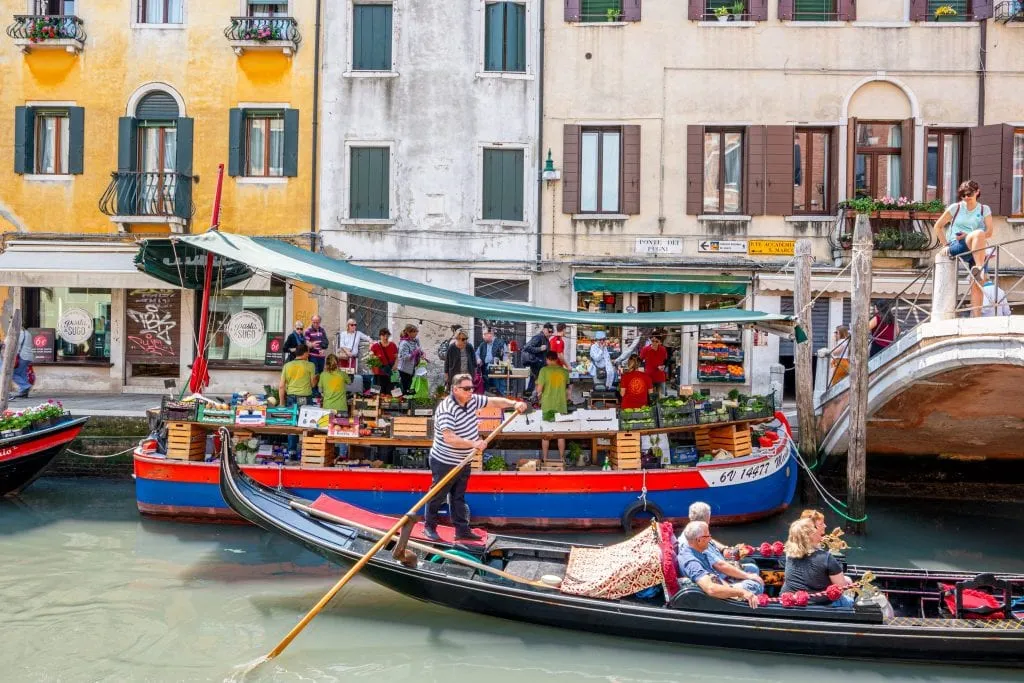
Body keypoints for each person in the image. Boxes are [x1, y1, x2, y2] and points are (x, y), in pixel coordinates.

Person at [424, 373, 527, 541]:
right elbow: (449, 438)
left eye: (471, 388)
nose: (471, 391)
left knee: (458, 496)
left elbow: (493, 402)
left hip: (465, 459)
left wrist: (513, 403)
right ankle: (429, 527)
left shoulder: (471, 400)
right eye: (466, 389)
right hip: (445, 460)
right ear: (455, 389)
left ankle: (461, 530)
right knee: (437, 494)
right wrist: (474, 443)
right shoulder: (447, 408)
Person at [933, 180, 994, 318]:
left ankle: (976, 317)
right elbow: (938, 226)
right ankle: (979, 268)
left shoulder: (984, 209)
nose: (966, 197)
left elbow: (989, 232)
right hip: (957, 244)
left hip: (977, 247)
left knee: (977, 284)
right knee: (978, 233)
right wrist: (945, 245)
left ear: (977, 192)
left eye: (969, 194)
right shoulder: (956, 207)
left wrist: (970, 235)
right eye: (963, 195)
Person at [676, 521, 761, 609]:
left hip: (720, 584)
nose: (710, 539)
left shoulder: (694, 549)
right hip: (714, 599)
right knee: (755, 586)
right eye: (708, 536)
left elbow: (714, 575)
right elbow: (711, 589)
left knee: (753, 575)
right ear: (699, 540)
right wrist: (742, 592)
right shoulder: (692, 563)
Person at [781, 518, 854, 608]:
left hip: (789, 601)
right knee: (849, 598)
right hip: (819, 604)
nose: (819, 529)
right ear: (810, 535)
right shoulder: (826, 558)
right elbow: (841, 587)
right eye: (815, 528)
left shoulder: (789, 554)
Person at [688, 502, 761, 579]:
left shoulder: (693, 531)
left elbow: (710, 541)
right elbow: (720, 566)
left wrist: (724, 549)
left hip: (720, 563)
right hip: (720, 575)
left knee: (750, 561)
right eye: (708, 519)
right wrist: (747, 575)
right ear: (707, 519)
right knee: (753, 568)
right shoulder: (698, 541)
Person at [279, 343, 318, 455]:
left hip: (291, 398)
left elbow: (281, 386)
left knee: (293, 424)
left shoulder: (287, 366)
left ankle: (291, 451)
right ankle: (308, 451)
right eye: (308, 352)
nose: (309, 354)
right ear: (305, 353)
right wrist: (317, 378)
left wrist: (282, 403)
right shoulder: (310, 365)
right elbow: (313, 384)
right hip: (305, 398)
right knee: (308, 424)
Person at [536, 351, 570, 463]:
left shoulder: (544, 370)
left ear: (548, 359)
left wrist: (538, 396)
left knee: (546, 434)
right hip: (561, 405)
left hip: (547, 405)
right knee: (561, 434)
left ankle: (545, 459)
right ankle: (562, 459)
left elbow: (539, 390)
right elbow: (568, 391)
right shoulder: (564, 372)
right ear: (556, 359)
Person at [337, 318, 373, 388]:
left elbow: (367, 338)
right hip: (344, 357)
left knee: (351, 374)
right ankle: (342, 389)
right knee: (343, 373)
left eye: (355, 325)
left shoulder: (358, 333)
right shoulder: (343, 333)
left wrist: (371, 342)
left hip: (353, 358)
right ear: (348, 326)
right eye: (352, 325)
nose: (354, 326)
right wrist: (347, 352)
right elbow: (342, 345)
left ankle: (350, 390)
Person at [522, 323, 553, 394]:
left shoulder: (546, 339)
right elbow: (527, 347)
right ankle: (532, 399)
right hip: (536, 366)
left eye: (552, 332)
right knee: (536, 386)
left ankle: (533, 398)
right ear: (544, 330)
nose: (550, 334)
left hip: (541, 367)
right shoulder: (538, 337)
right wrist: (539, 349)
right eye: (549, 331)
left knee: (537, 386)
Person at [475, 327, 506, 392]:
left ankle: (501, 399)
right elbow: (476, 354)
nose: (483, 337)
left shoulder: (500, 343)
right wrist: (478, 359)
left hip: (497, 369)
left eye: (484, 334)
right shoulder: (482, 344)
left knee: (499, 389)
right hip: (485, 369)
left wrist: (494, 363)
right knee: (487, 390)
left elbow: (505, 356)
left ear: (491, 334)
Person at [396, 324, 424, 395]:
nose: (416, 333)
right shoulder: (404, 343)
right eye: (414, 332)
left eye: (416, 331)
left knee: (409, 388)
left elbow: (418, 349)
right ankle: (404, 403)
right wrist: (415, 352)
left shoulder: (414, 341)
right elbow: (405, 357)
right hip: (404, 370)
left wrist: (422, 353)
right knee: (405, 389)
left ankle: (409, 402)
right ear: (408, 332)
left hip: (411, 369)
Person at [370, 328, 398, 394]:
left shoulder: (393, 345)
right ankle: (376, 404)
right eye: (383, 336)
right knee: (376, 393)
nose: (385, 337)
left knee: (390, 393)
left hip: (391, 373)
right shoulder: (375, 346)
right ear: (380, 336)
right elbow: (370, 359)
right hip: (378, 374)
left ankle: (389, 404)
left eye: (387, 335)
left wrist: (395, 365)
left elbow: (397, 357)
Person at [11, 327, 34, 399]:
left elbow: (16, 345)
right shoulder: (27, 333)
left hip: (22, 356)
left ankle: (25, 386)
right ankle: (23, 392)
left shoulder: (19, 333)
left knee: (12, 373)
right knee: (22, 374)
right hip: (28, 356)